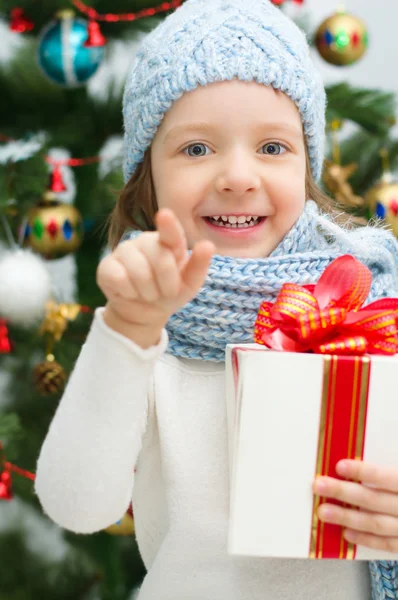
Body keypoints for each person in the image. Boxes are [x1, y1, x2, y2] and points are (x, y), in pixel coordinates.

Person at [35, 1, 398, 598]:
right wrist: (129, 329)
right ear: (146, 180)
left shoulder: (375, 320)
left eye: (273, 148)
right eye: (197, 149)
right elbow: (77, 504)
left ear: (308, 165)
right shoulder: (148, 336)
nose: (237, 175)